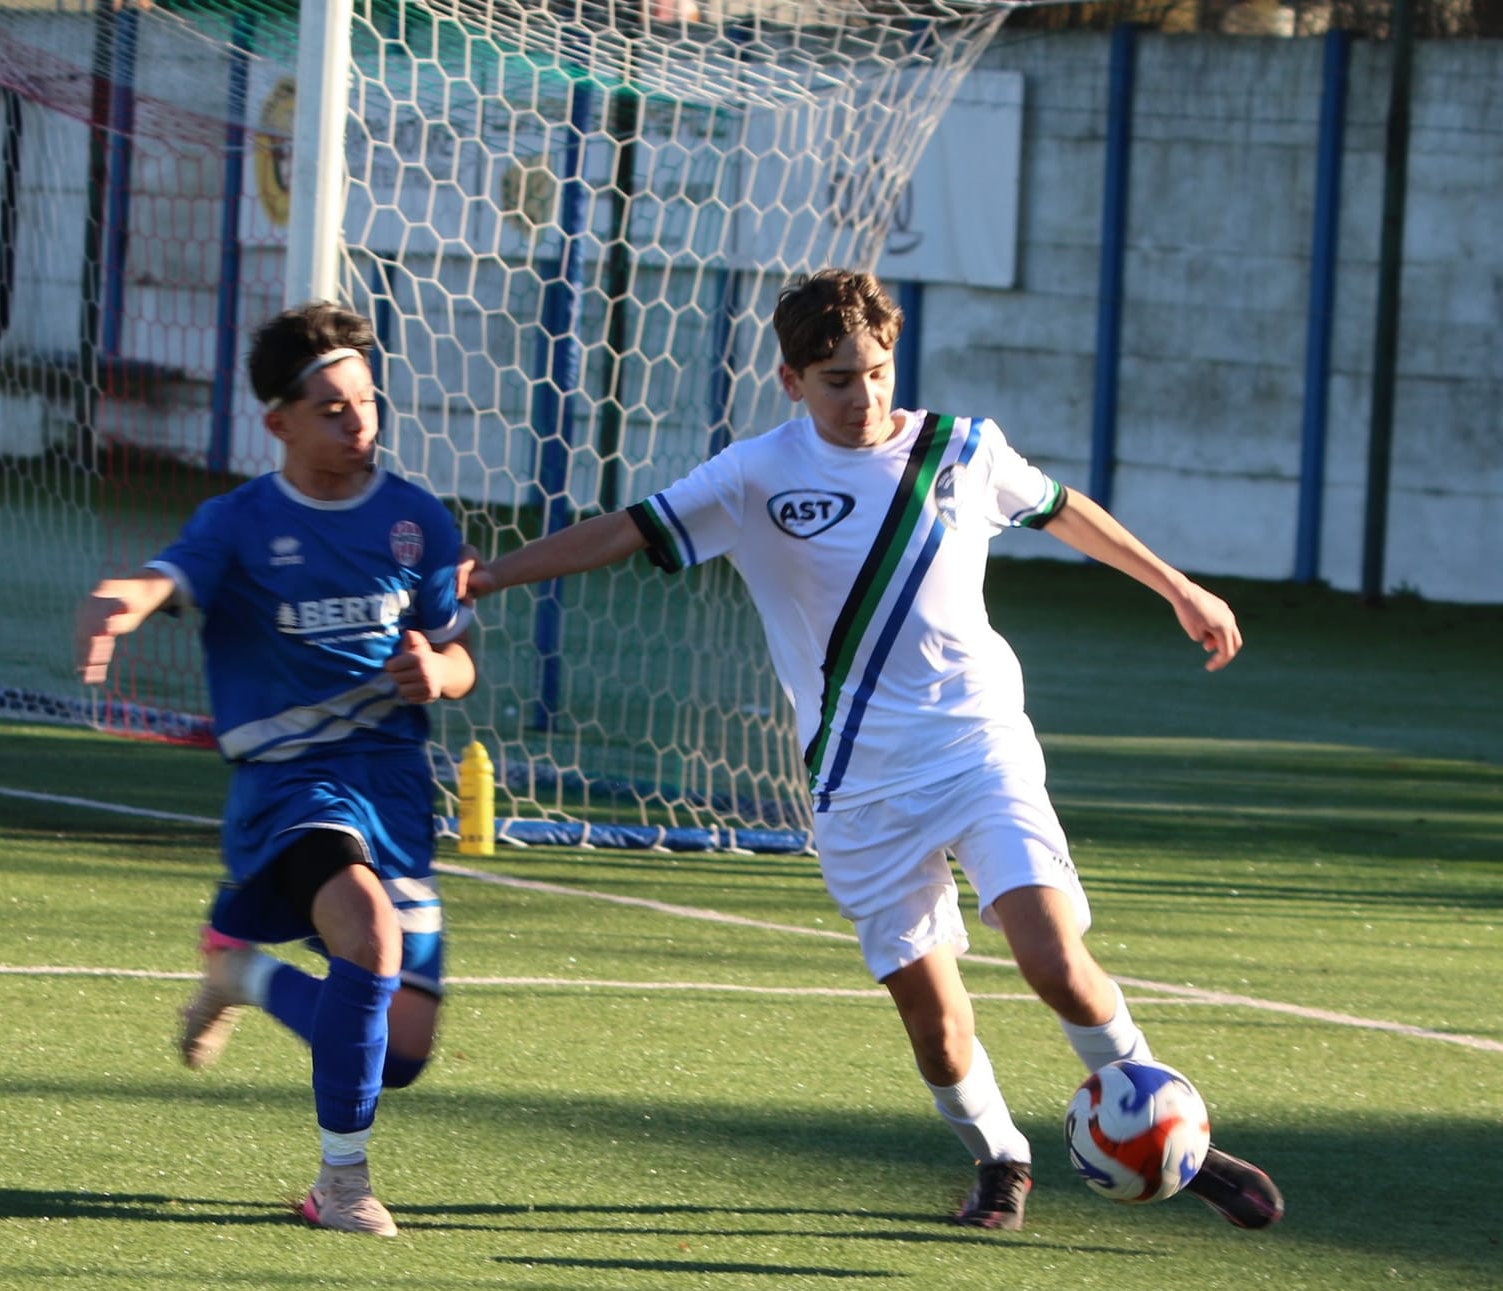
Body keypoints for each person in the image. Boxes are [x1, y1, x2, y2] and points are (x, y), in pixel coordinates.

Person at [465, 269, 1283, 1233]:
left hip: (980, 749)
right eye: (838, 380)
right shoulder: (754, 475)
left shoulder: (960, 450)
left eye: (879, 372)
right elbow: (628, 529)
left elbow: (1061, 508)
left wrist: (1177, 587)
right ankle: (1000, 1161)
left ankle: (1170, 1132)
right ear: (791, 381)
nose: (864, 398)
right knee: (936, 1030)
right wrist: (489, 575)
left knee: (1054, 958)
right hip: (858, 785)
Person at [74, 302, 476, 1237]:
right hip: (294, 790)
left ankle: (240, 977)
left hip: (395, 791)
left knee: (401, 1052)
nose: (358, 423)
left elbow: (460, 659)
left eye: (367, 402)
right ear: (279, 423)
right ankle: (341, 1185)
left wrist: (438, 674)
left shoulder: (416, 521)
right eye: (332, 408)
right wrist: (124, 601)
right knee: (367, 937)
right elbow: (168, 575)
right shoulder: (242, 523)